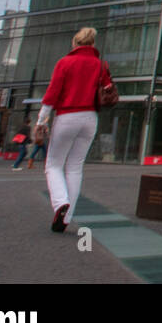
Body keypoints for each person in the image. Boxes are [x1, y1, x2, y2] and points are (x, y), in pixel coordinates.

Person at [37, 27, 113, 233]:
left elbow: (52, 93)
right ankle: (66, 218)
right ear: (93, 44)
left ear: (75, 44)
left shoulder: (65, 63)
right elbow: (108, 90)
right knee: (75, 167)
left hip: (67, 116)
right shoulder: (100, 65)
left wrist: (41, 120)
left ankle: (61, 202)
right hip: (90, 118)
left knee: (53, 165)